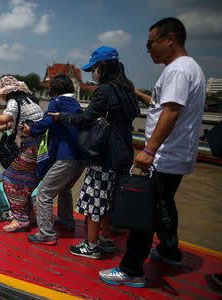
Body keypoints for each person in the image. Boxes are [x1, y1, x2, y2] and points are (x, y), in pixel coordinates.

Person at [99, 17, 205, 288]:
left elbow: (171, 111)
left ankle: (131, 269)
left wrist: (149, 149)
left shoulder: (178, 70)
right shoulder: (188, 68)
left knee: (143, 212)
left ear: (169, 38)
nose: (148, 50)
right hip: (176, 155)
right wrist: (135, 92)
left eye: (150, 43)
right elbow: (161, 104)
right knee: (164, 203)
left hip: (165, 155)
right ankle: (169, 250)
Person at [50, 46, 140, 259]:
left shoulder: (106, 90)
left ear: (104, 67)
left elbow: (84, 119)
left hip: (106, 154)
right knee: (108, 199)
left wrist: (61, 116)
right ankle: (106, 240)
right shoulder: (127, 89)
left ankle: (91, 246)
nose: (93, 73)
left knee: (95, 200)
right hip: (125, 152)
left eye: (95, 68)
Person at [0, 76, 43, 232]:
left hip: (31, 147)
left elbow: (6, 117)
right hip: (42, 147)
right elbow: (13, 122)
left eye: (2, 93)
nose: (2, 96)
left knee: (9, 177)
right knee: (28, 180)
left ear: (8, 92)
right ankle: (30, 215)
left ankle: (19, 219)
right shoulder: (29, 101)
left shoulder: (13, 101)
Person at [22, 74, 86, 245]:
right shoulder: (75, 104)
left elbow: (47, 121)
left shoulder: (58, 102)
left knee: (44, 193)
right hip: (81, 158)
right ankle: (67, 221)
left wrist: (31, 129)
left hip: (67, 157)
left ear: (55, 91)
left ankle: (46, 234)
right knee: (65, 188)